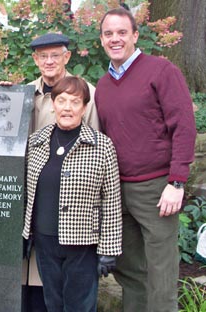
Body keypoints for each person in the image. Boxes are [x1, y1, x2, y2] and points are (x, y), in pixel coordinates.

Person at [95, 8, 197, 312]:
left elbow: (184, 126)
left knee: (161, 273)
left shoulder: (161, 71)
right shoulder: (102, 85)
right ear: (101, 39)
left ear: (135, 36)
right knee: (130, 271)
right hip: (117, 190)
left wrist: (176, 182)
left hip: (156, 189)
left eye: (122, 32)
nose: (115, 39)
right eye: (109, 33)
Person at [22, 76, 122, 312]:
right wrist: (24, 233)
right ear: (53, 104)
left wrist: (109, 249)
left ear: (85, 107)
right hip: (45, 241)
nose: (67, 107)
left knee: (79, 306)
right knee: (52, 303)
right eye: (62, 100)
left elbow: (112, 201)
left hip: (82, 245)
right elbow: (28, 192)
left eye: (75, 102)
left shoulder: (102, 146)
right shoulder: (36, 141)